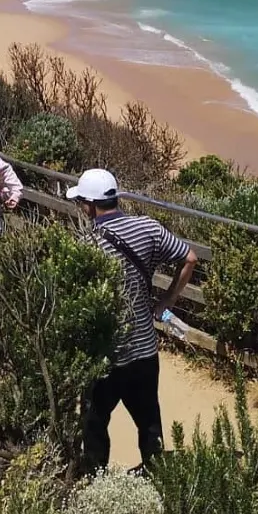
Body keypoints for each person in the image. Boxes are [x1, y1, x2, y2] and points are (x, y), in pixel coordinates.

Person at [70, 167, 198, 475]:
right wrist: (167, 301)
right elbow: (189, 257)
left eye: (81, 204)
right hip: (144, 350)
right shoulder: (148, 228)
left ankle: (95, 481)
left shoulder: (88, 247)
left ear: (89, 205)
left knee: (95, 422)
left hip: (108, 356)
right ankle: (156, 477)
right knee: (149, 421)